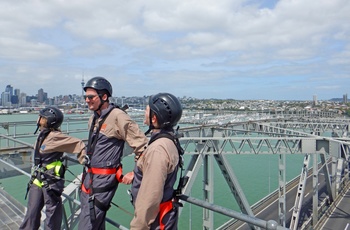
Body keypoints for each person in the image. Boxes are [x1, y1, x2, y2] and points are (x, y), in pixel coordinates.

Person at [79, 76, 148, 230]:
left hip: (103, 180)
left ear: (104, 97)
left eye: (91, 97)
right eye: (86, 97)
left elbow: (143, 146)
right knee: (92, 221)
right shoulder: (94, 118)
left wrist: (136, 172)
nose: (87, 101)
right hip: (89, 177)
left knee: (88, 223)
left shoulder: (118, 117)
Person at [123, 92, 183, 230]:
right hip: (162, 219)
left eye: (147, 110)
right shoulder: (167, 140)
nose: (144, 112)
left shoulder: (158, 150)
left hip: (154, 223)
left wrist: (138, 227)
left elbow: (150, 198)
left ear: (154, 118)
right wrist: (138, 173)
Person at [20, 106, 87, 230]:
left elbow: (79, 144)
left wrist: (84, 160)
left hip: (51, 180)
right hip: (38, 178)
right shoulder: (43, 134)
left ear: (47, 120)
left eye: (41, 117)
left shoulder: (55, 136)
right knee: (32, 212)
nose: (38, 118)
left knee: (52, 214)